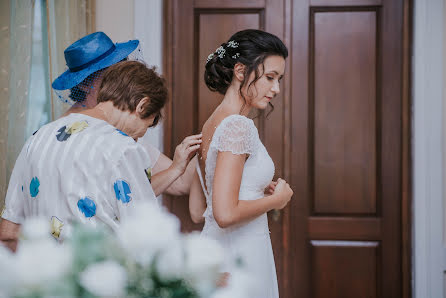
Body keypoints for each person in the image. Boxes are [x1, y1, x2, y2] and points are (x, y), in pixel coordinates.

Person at [0, 60, 183, 252]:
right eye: (147, 125)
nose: (138, 137)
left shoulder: (37, 137)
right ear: (142, 105)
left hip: (44, 277)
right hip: (100, 275)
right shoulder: (123, 147)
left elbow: (8, 232)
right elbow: (146, 235)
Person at [188, 29, 293, 298]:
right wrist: (276, 200)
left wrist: (256, 190)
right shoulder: (237, 125)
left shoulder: (212, 122)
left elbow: (200, 211)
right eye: (270, 77)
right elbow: (224, 214)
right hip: (240, 254)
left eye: (279, 79)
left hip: (219, 251)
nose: (276, 89)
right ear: (239, 71)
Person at [51, 31, 200, 197]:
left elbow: (180, 184)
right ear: (84, 85)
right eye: (111, 74)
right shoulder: (58, 136)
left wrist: (213, 131)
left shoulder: (125, 126)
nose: (121, 80)